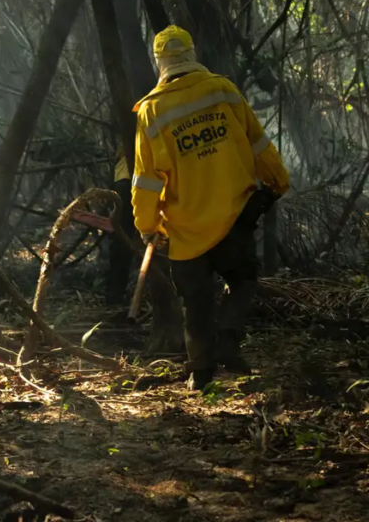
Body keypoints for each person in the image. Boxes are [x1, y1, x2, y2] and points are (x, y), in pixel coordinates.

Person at [130, 25, 290, 391]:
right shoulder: (222, 90)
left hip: (184, 229)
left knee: (194, 301)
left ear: (161, 63)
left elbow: (147, 179)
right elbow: (258, 144)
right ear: (192, 53)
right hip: (234, 215)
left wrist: (147, 224)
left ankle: (200, 373)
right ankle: (229, 341)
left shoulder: (151, 111)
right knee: (243, 279)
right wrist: (278, 181)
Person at [105, 144, 135, 306]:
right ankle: (115, 295)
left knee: (121, 239)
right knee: (122, 240)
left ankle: (115, 294)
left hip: (126, 179)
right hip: (131, 179)